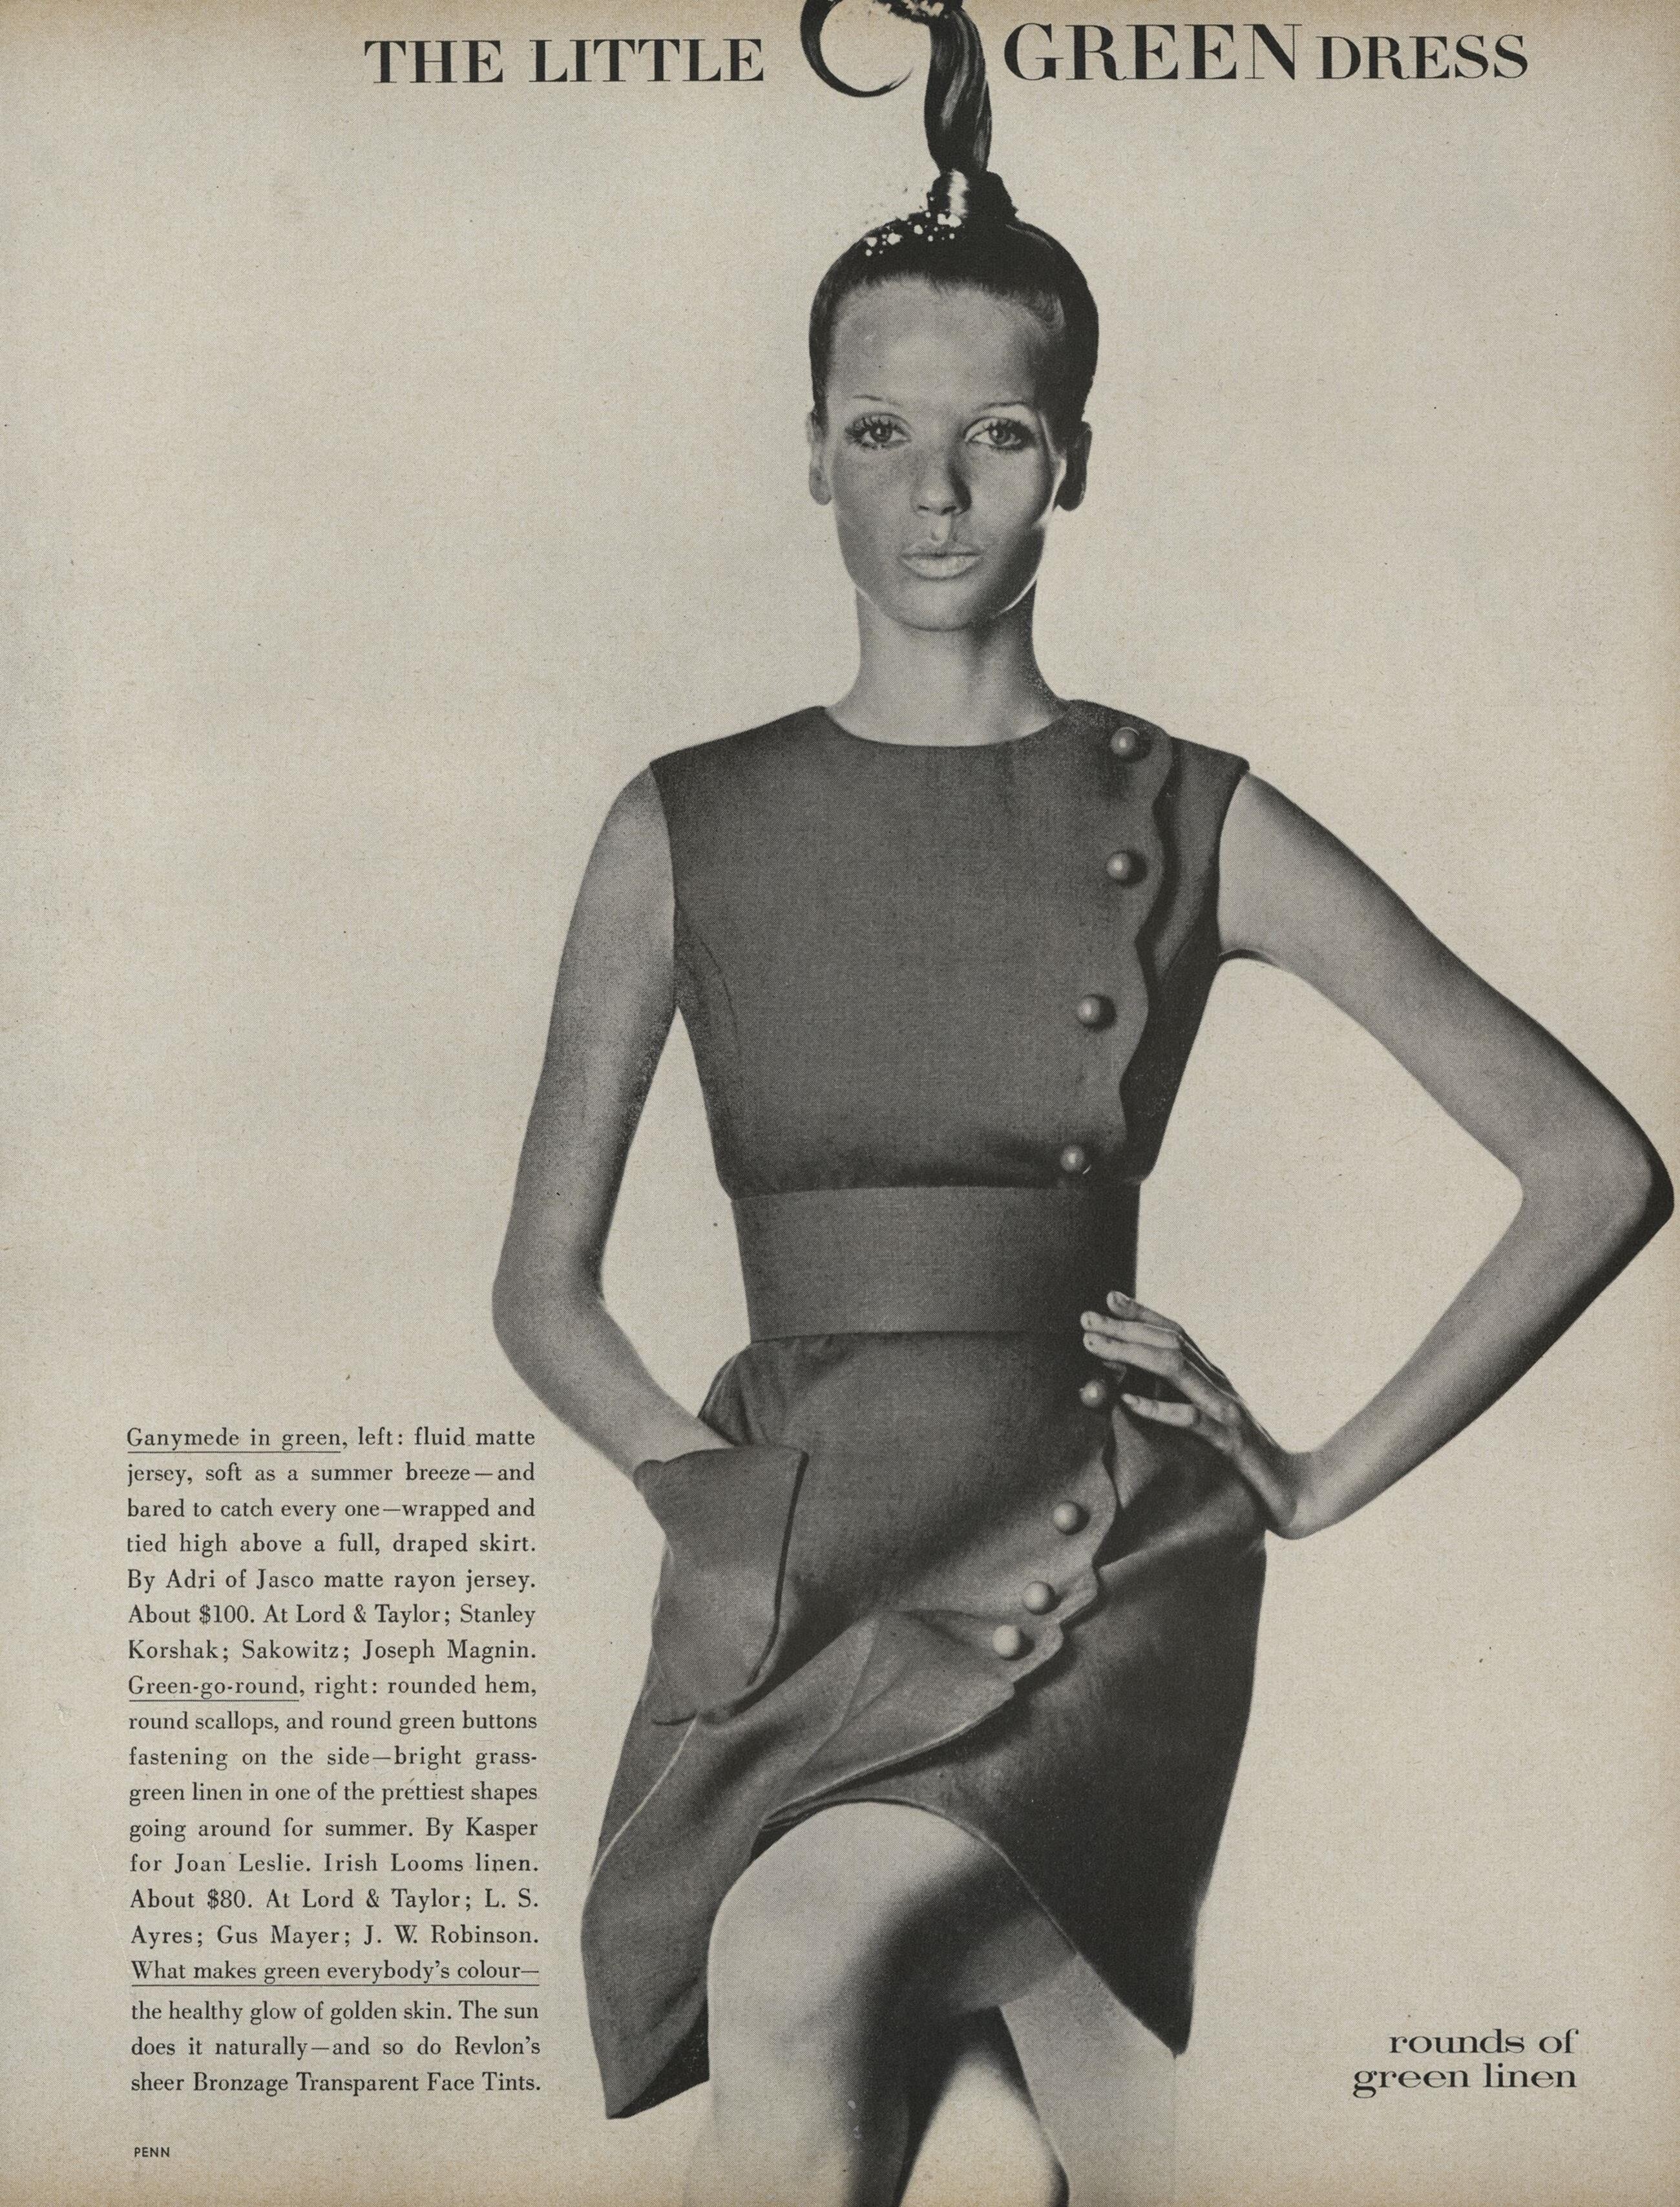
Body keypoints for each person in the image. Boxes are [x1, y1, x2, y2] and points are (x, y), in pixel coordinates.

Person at [493, 4, 1670, 2201]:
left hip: (1092, 1550)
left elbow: (1594, 1168)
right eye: (880, 432)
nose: (935, 491)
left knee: (793, 1961)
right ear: (811, 452)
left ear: (1078, 460)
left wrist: (1314, 1476)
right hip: (789, 1572)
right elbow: (540, 1290)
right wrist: (696, 1485)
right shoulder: (681, 823)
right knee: (936, 2114)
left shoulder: (1195, 811)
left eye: (1000, 435)